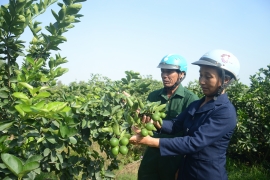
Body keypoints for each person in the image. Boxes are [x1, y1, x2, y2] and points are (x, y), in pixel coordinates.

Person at [130, 49, 240, 180]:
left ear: (225, 80)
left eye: (208, 76)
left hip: (207, 174)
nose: (202, 81)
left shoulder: (225, 112)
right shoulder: (197, 104)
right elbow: (176, 125)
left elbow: (194, 142)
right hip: (186, 171)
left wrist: (150, 141)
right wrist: (152, 122)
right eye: (201, 75)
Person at [137, 54, 199, 180]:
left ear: (181, 74)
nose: (164, 75)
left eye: (169, 72)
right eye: (162, 71)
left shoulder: (191, 100)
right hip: (152, 154)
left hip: (175, 157)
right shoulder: (153, 96)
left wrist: (183, 167)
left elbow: (192, 138)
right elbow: (145, 125)